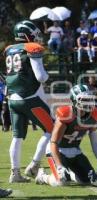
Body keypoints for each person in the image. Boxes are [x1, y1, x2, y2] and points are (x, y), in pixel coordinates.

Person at [4, 20, 54, 182]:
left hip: (12, 98)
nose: (37, 36)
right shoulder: (31, 48)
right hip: (29, 97)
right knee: (51, 129)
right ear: (26, 34)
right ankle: (34, 165)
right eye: (34, 33)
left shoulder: (10, 50)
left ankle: (15, 173)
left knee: (17, 136)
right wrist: (48, 77)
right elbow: (40, 76)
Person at [35, 84, 97, 187]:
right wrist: (59, 167)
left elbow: (95, 141)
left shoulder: (93, 115)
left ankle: (70, 174)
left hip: (75, 151)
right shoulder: (66, 115)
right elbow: (54, 142)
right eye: (84, 100)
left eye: (89, 99)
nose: (88, 103)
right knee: (60, 182)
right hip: (57, 151)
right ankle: (42, 176)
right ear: (74, 100)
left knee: (88, 181)